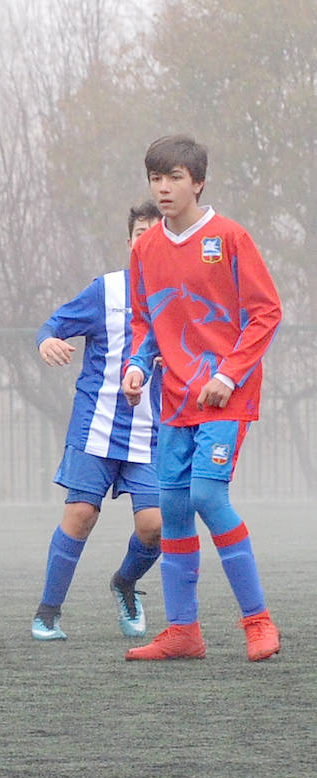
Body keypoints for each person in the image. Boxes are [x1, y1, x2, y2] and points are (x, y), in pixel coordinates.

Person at [120, 134, 282, 662]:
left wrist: (230, 375)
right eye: (156, 178)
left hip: (225, 396)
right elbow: (146, 322)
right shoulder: (144, 248)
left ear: (198, 182)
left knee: (209, 497)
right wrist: (137, 367)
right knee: (172, 507)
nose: (163, 188)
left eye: (174, 178)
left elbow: (265, 313)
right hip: (175, 398)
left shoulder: (230, 237)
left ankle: (258, 622)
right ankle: (183, 632)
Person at [31, 202, 163, 641]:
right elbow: (52, 325)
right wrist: (47, 340)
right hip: (97, 424)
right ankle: (47, 613)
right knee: (81, 514)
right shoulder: (105, 291)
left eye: (158, 231)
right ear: (130, 243)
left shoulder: (181, 297)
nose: (148, 239)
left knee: (154, 525)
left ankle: (125, 583)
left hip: (152, 431)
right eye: (141, 232)